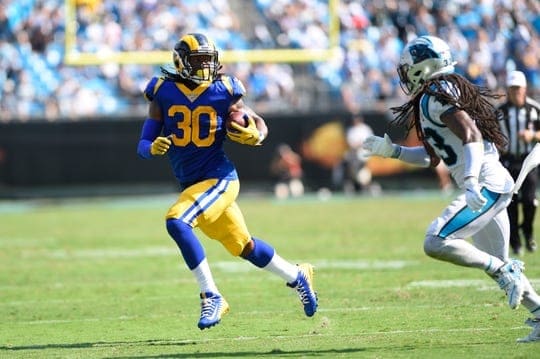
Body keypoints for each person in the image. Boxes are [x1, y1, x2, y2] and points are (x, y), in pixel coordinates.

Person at [362, 35, 540, 343]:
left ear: (423, 66)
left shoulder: (437, 93)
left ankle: (505, 271)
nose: (405, 75)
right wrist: (393, 152)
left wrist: (470, 179)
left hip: (485, 183)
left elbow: (470, 133)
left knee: (436, 241)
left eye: (408, 68)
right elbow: (435, 157)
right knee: (495, 263)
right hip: (488, 182)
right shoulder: (435, 95)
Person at [136, 33, 317, 330]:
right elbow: (142, 143)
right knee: (245, 247)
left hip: (219, 178)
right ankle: (298, 276)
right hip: (194, 186)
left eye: (209, 60)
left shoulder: (225, 89)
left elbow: (256, 121)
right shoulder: (162, 91)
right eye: (199, 61)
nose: (206, 67)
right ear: (181, 62)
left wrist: (256, 133)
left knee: (176, 221)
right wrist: (152, 147)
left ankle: (211, 295)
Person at [497, 70, 540, 255]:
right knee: (511, 203)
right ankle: (515, 241)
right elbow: (490, 136)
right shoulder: (499, 112)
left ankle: (528, 232)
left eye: (518, 89)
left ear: (524, 89)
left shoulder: (534, 109)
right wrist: (500, 145)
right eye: (512, 89)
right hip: (507, 162)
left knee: (530, 201)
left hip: (528, 161)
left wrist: (532, 136)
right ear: (508, 90)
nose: (516, 92)